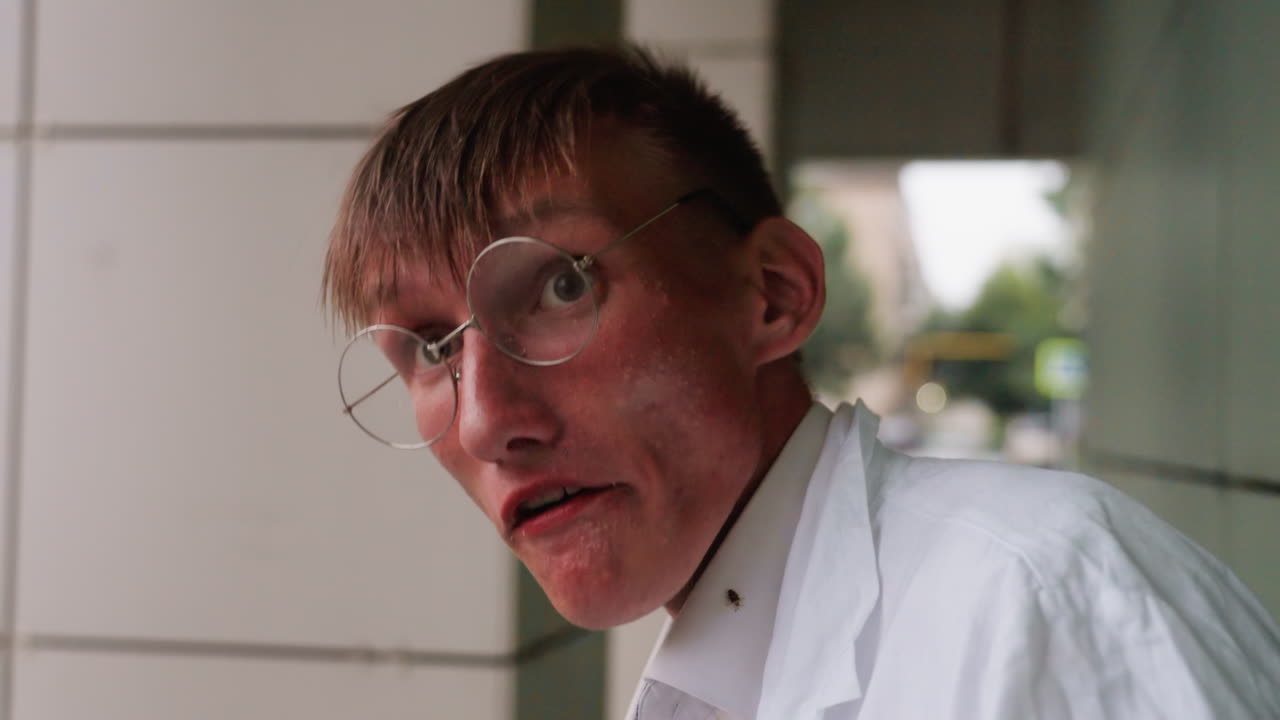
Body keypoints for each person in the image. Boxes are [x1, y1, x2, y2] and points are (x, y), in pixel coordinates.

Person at [322, 46, 1280, 719]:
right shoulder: (724, 667)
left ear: (774, 295)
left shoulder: (1038, 598)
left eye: (561, 286)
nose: (486, 421)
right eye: (432, 349)